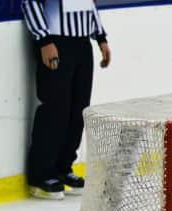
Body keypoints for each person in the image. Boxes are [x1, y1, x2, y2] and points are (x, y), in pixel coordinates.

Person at [21, 0, 111, 200]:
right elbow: (30, 2)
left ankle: (63, 167)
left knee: (78, 110)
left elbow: (89, 3)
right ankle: (40, 175)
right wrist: (43, 40)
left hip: (82, 44)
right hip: (56, 41)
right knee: (55, 109)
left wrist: (101, 37)